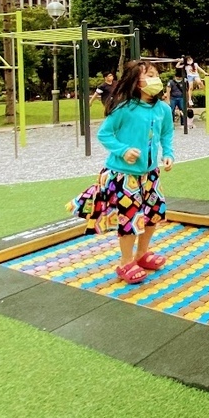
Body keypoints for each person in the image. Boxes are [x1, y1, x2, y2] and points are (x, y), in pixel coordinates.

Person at [68, 60, 175, 285]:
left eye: (156, 75)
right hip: (124, 176)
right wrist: (123, 150)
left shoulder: (163, 109)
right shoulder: (124, 108)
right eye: (149, 76)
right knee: (129, 220)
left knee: (153, 214)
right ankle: (126, 262)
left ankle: (142, 254)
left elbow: (167, 134)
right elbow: (105, 134)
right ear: (136, 83)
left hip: (150, 174)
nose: (155, 79)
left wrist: (168, 154)